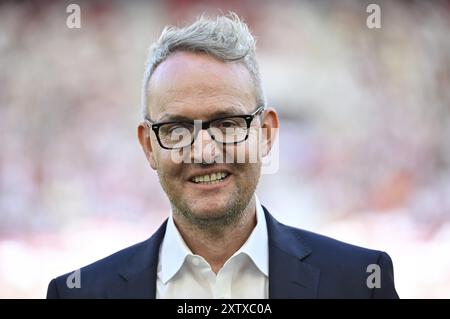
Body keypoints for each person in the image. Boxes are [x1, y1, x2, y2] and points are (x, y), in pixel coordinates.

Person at [47, 13, 399, 299]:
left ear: (266, 133)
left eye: (228, 124)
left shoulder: (359, 283)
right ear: (148, 145)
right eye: (177, 129)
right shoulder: (80, 294)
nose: (203, 151)